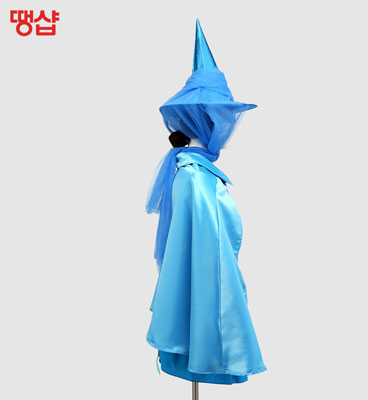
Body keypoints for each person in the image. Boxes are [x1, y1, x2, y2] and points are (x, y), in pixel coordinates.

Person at [145, 19, 267, 384]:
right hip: (209, 291)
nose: (228, 124)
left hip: (203, 282)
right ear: (205, 119)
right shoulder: (196, 178)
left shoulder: (190, 171)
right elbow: (209, 258)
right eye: (222, 115)